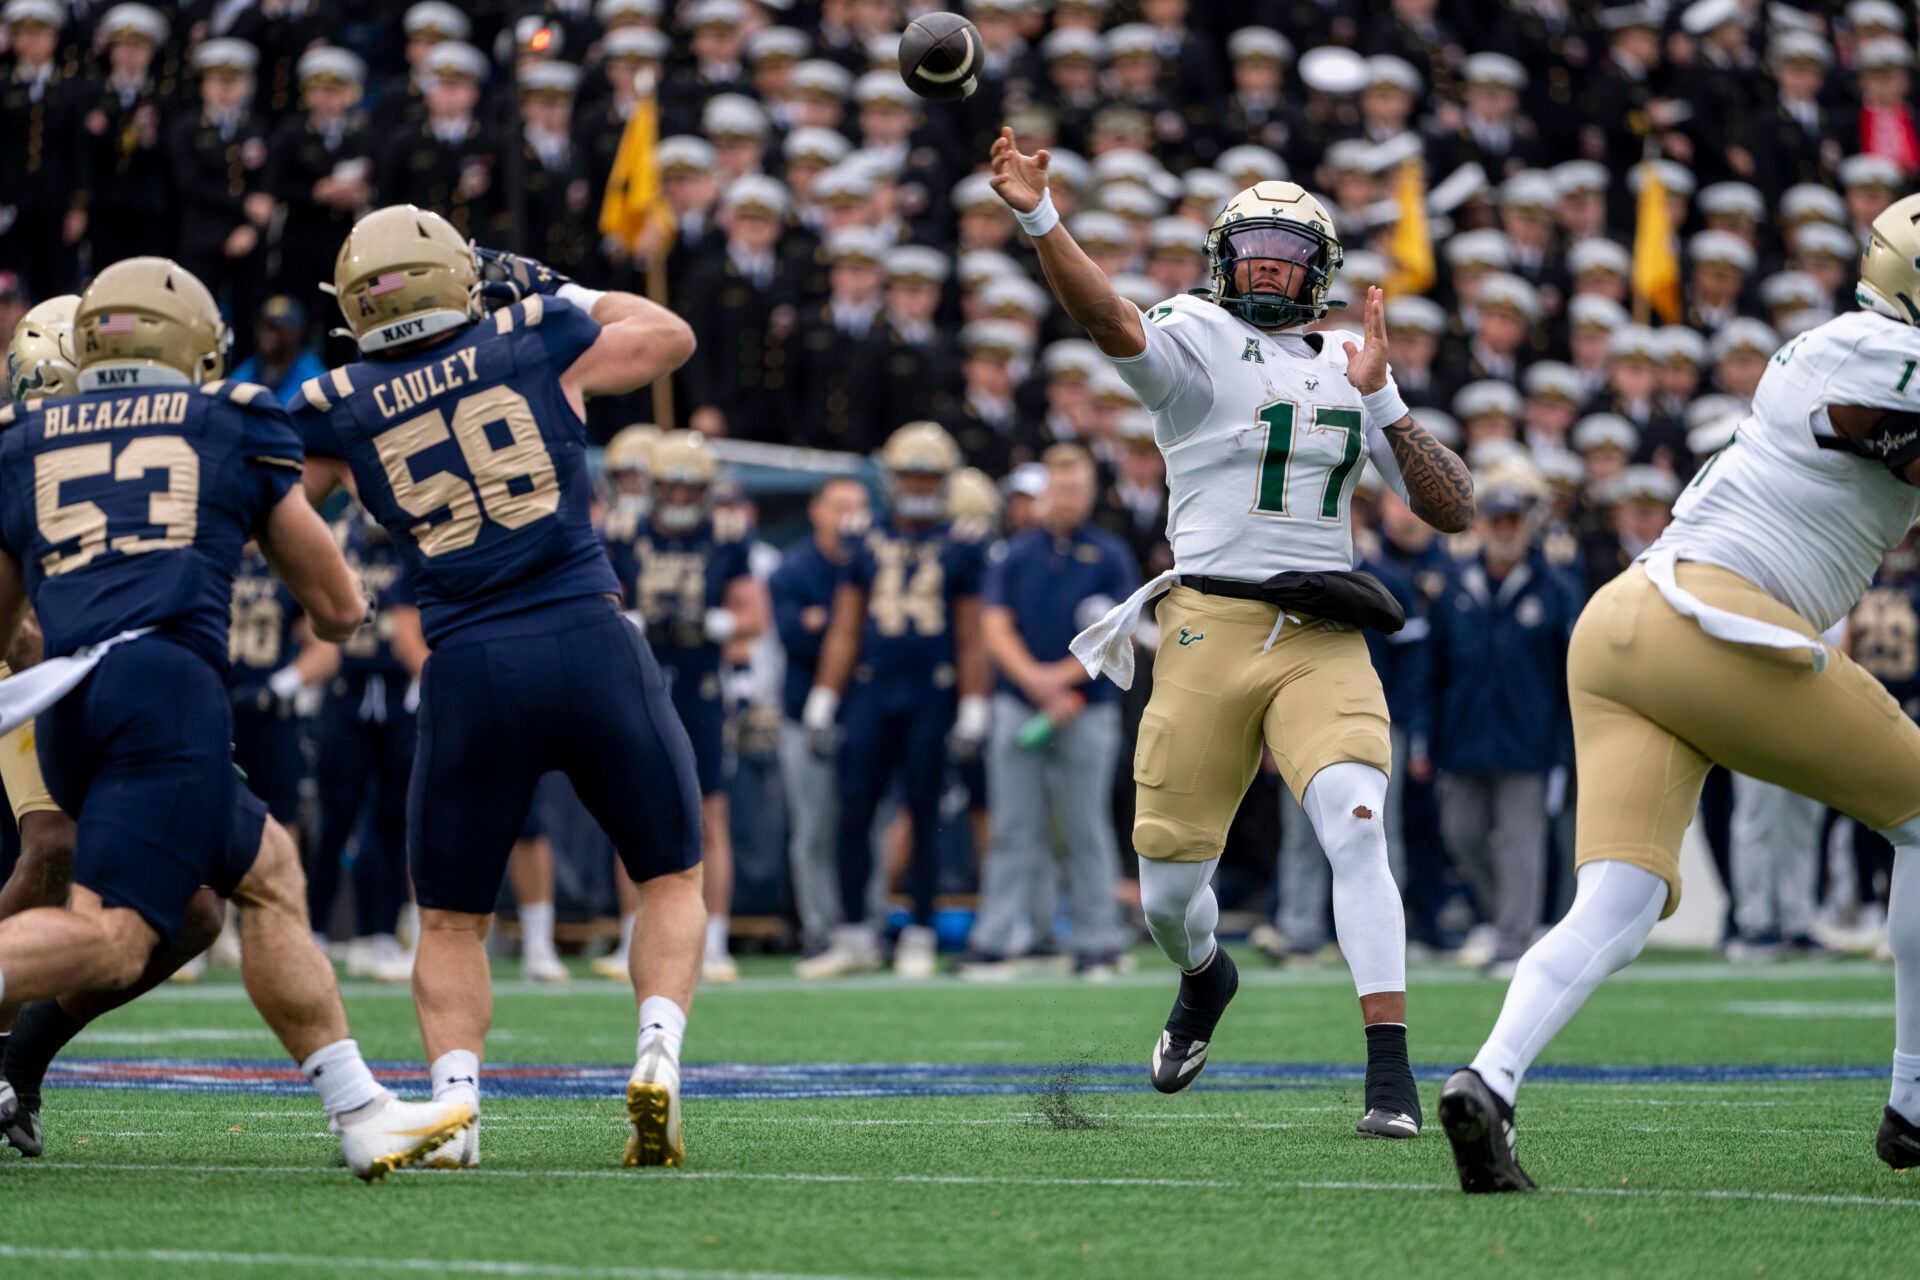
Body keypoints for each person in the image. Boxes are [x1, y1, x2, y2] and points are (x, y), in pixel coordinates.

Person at [988, 129, 1475, 1138]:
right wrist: (1041, 218)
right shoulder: (1196, 336)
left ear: (1322, 276)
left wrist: (1382, 396)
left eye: (1285, 259)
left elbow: (1454, 507)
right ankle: (1205, 978)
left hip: (1320, 627)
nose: (1263, 272)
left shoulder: (1353, 360)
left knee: (1354, 817)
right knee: (1168, 894)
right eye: (1250, 253)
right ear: (1220, 261)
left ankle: (1391, 1073)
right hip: (1208, 620)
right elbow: (1109, 317)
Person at [1441, 195, 1920, 1191]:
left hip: (1626, 626)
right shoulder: (1868, 355)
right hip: (1709, 618)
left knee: (1620, 895)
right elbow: (1861, 422)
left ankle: (1488, 1079)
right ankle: (1915, 1098)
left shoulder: (1847, 348)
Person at [0, 256, 469, 1177]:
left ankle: (360, 1109)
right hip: (165, 685)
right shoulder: (231, 422)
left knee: (264, 875)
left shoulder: (24, 439)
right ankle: (361, 1112)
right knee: (113, 935)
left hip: (68, 700)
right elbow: (336, 607)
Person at [292, 206, 703, 1168]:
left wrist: (334, 600)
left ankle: (456, 1109)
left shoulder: (335, 403)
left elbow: (274, 501)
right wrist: (562, 286)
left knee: (447, 918)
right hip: (589, 635)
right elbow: (669, 337)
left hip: (469, 663)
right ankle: (656, 1055)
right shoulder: (536, 333)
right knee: (670, 876)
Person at [798, 422, 992, 980]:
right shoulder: (863, 537)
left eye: (928, 475)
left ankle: (921, 929)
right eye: (910, 474)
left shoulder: (962, 543)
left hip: (933, 691)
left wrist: (974, 705)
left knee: (925, 812)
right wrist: (824, 697)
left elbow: (970, 635)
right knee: (853, 811)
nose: (918, 485)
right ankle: (856, 932)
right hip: (872, 689)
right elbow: (844, 626)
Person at [604, 431, 764, 984]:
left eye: (687, 487)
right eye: (668, 486)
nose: (676, 497)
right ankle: (630, 937)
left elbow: (755, 615)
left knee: (709, 814)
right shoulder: (624, 530)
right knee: (629, 812)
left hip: (699, 683)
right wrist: (626, 620)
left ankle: (714, 941)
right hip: (641, 682)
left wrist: (722, 623)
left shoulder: (727, 534)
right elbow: (601, 597)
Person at [769, 475, 869, 957]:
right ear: (816, 511)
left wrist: (826, 622)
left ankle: (863, 924)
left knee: (864, 823)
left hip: (867, 711)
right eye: (838, 506)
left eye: (857, 506)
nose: (847, 517)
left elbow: (878, 635)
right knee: (812, 828)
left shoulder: (876, 561)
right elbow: (795, 635)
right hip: (802, 708)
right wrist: (843, 628)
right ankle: (820, 928)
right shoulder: (792, 568)